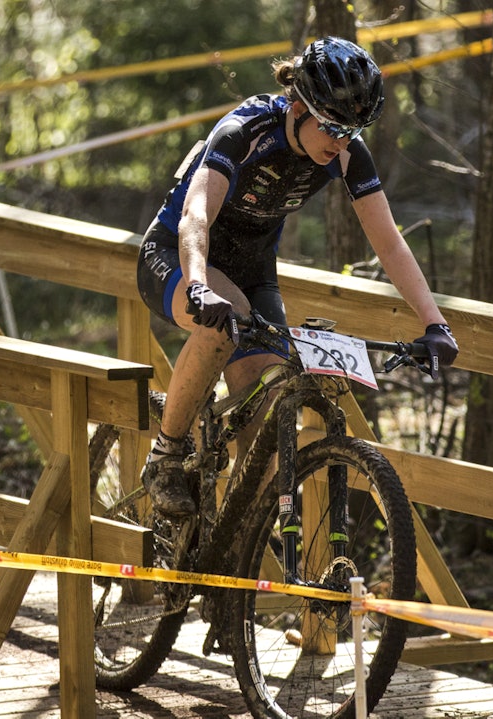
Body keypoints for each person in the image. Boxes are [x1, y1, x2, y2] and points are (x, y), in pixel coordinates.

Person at [135, 37, 459, 516]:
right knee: (221, 326)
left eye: (353, 130)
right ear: (298, 106)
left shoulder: (346, 152)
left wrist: (435, 323)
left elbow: (389, 242)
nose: (341, 141)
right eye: (332, 127)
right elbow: (196, 215)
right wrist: (199, 284)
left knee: (264, 437)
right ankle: (164, 455)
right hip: (178, 255)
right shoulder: (245, 129)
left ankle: (236, 550)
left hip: (251, 271)